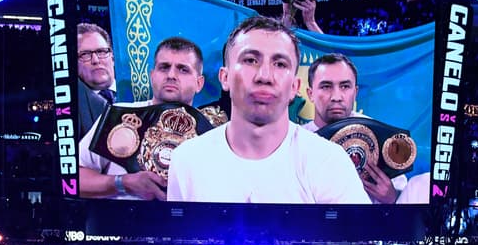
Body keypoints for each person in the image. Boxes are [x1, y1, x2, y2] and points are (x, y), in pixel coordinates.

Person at [166, 16, 369, 204]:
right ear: (224, 77)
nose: (265, 76)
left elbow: (358, 242)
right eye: (250, 60)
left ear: (294, 87)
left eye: (280, 64)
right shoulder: (187, 160)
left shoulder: (329, 162)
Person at [78, 35, 206, 200]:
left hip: (193, 224)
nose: (171, 75)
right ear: (152, 76)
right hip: (123, 223)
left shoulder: (212, 131)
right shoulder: (118, 115)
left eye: (183, 69)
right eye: (164, 67)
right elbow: (72, 180)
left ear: (199, 83)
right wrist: (122, 183)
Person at [305, 53, 406, 204]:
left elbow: (408, 205)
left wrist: (393, 197)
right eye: (326, 87)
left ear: (355, 92)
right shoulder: (296, 140)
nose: (336, 96)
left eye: (345, 86)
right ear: (310, 94)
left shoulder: (381, 136)